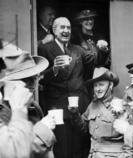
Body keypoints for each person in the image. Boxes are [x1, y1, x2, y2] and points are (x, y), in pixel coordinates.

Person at [38, 17, 94, 158]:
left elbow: (95, 59)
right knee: (62, 148)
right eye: (62, 27)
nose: (66, 31)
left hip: (79, 108)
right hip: (58, 108)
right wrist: (54, 69)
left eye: (68, 28)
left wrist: (103, 49)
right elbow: (40, 79)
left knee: (79, 147)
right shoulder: (44, 49)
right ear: (54, 30)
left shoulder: (77, 49)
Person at [0, 46, 57, 158]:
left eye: (35, 78)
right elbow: (14, 153)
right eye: (25, 79)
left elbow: (47, 151)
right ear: (10, 83)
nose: (32, 83)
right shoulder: (3, 113)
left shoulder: (34, 106)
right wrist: (43, 128)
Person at [68, 67, 133, 158]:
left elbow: (131, 135)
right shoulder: (92, 105)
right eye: (95, 85)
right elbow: (83, 128)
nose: (97, 89)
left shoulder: (122, 106)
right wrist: (75, 114)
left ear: (110, 85)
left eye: (101, 85)